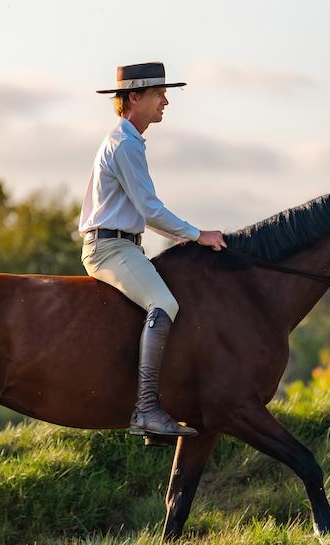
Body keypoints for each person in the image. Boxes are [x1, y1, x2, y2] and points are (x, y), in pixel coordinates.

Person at [80, 62, 227, 438]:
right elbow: (149, 209)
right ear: (134, 97)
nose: (166, 102)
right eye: (159, 94)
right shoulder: (125, 143)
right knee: (165, 304)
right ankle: (146, 409)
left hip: (123, 245)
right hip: (110, 248)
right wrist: (197, 235)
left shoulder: (128, 139)